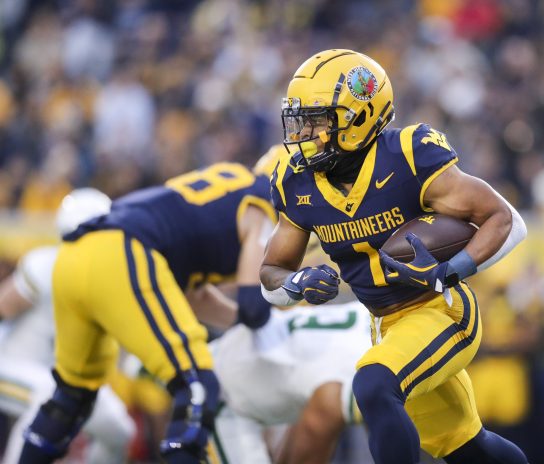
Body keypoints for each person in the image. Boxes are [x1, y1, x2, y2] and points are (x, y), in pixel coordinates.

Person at [260, 49, 528, 464]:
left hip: (441, 308)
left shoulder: (406, 154)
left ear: (359, 116)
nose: (304, 132)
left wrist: (450, 271)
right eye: (301, 120)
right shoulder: (297, 182)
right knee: (467, 448)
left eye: (317, 120)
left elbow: (504, 218)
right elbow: (271, 272)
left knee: (372, 383)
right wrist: (294, 285)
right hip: (385, 324)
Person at [18, 162, 276, 464]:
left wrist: (241, 322)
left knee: (70, 396)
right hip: (121, 250)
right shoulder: (266, 204)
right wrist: (270, 321)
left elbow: (195, 298)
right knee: (196, 384)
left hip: (72, 258)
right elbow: (254, 308)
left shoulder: (231, 182)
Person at [0, 188, 136, 464]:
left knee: (120, 430)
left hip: (69, 381)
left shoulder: (111, 282)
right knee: (47, 400)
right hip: (14, 366)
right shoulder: (44, 265)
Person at [207, 300, 371, 464]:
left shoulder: (382, 315)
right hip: (220, 391)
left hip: (263, 371)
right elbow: (318, 421)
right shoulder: (368, 367)